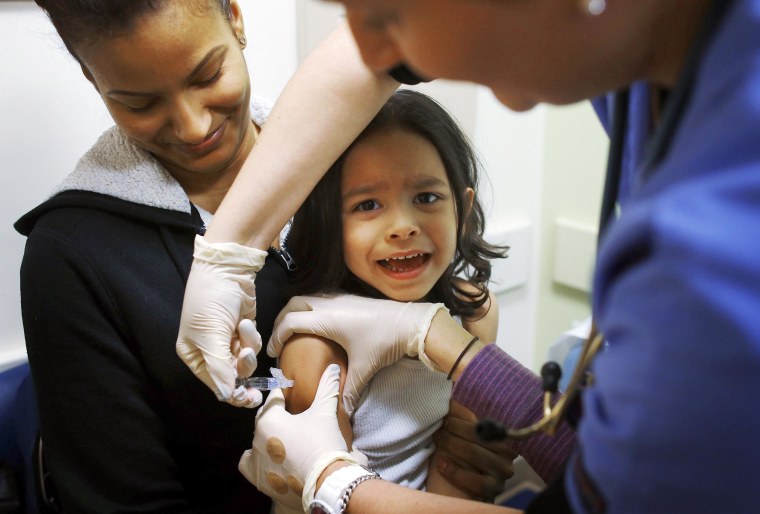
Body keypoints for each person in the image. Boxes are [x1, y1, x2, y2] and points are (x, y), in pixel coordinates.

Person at [204, 0, 760, 513]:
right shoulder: (316, 340)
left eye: (390, 13)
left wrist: (337, 485)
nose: (377, 59)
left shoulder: (721, 237)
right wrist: (225, 249)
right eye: (367, 205)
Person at [16, 1, 512, 510]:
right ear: (90, 77)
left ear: (235, 17)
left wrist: (460, 448)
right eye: (139, 104)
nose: (191, 126)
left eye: (208, 75)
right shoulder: (72, 256)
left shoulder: (353, 158)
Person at [240, 90, 529, 512]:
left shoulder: (473, 311)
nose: (402, 226)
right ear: (330, 223)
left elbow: (459, 468)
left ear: (463, 210)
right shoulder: (316, 345)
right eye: (368, 204)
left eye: (427, 198)